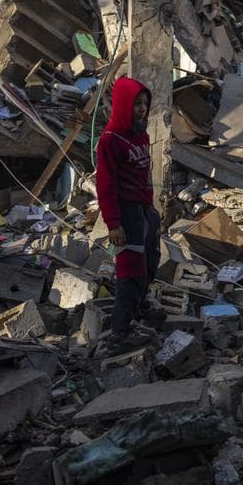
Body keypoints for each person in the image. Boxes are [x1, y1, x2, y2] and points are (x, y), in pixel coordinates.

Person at [95, 76, 165, 355]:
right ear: (124, 104)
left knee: (150, 263)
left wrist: (151, 212)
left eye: (145, 104)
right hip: (125, 214)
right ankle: (120, 333)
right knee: (130, 272)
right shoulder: (111, 140)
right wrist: (113, 223)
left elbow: (143, 177)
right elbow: (106, 185)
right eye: (136, 103)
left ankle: (139, 307)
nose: (142, 109)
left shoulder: (141, 136)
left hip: (144, 212)